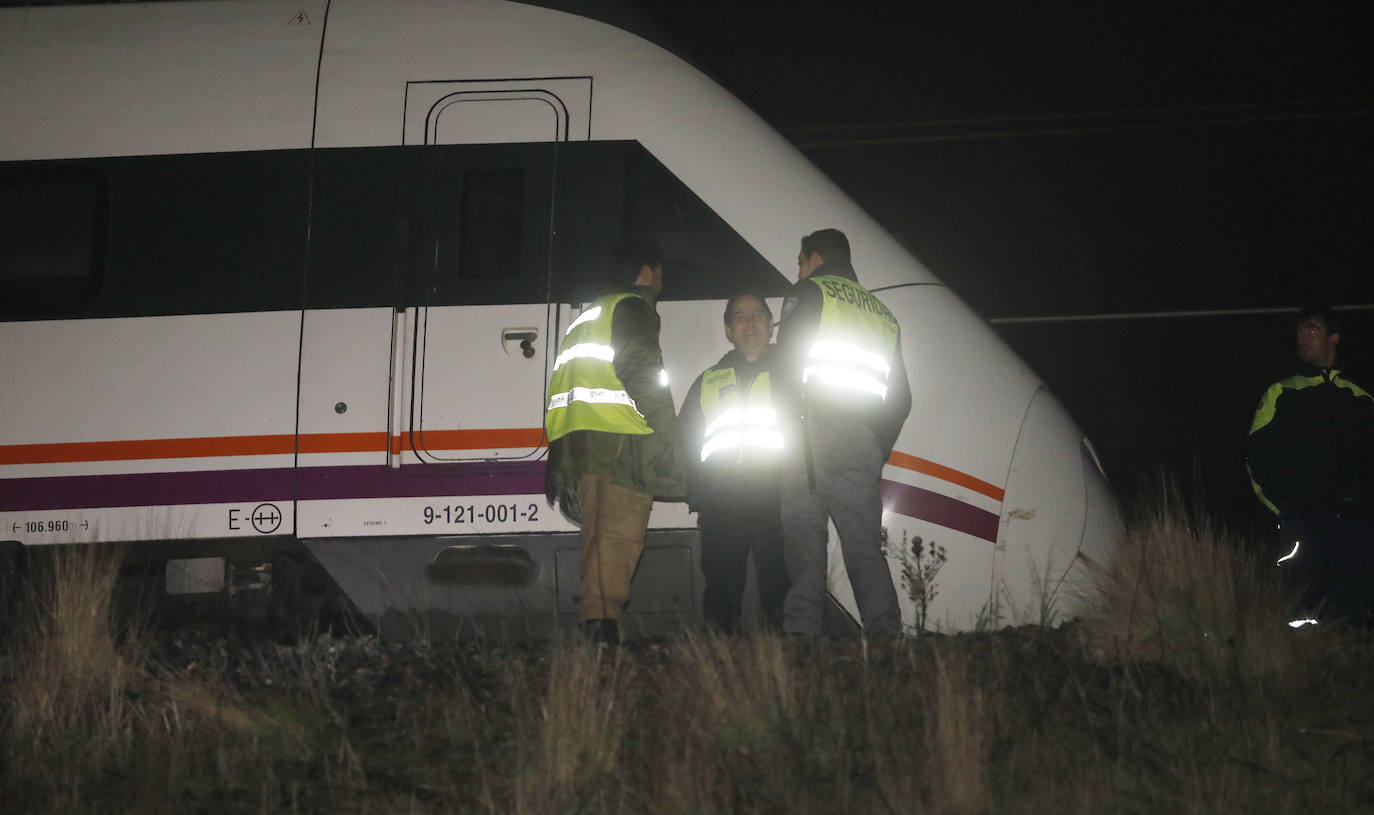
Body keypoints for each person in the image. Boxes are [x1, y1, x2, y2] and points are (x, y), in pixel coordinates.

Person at [544, 238, 685, 644]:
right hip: (623, 439)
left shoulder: (590, 314)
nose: (661, 283)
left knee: (597, 537)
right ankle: (603, 636)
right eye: (659, 274)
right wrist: (667, 433)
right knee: (620, 535)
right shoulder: (631, 307)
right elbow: (640, 369)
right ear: (645, 273)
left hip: (583, 442)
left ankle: (596, 627)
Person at [774, 228, 912, 638]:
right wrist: (874, 445)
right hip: (860, 443)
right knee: (865, 548)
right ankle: (887, 643)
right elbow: (901, 399)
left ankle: (803, 644)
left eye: (799, 262)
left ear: (815, 259)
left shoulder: (810, 293)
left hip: (809, 436)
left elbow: (785, 369)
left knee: (805, 547)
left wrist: (790, 428)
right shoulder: (883, 313)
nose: (797, 272)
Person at [1247, 306, 1374, 626]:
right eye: (1299, 332)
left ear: (1334, 338)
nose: (1303, 338)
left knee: (1356, 617)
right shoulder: (1281, 393)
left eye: (1312, 330)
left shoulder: (1361, 399)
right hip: (1304, 523)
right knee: (1304, 614)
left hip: (1357, 525)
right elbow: (1256, 456)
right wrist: (1286, 509)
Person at [679, 291, 790, 634]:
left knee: (781, 593)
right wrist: (697, 490)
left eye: (758, 314)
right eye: (740, 316)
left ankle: (784, 672)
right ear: (728, 330)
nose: (751, 321)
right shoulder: (708, 380)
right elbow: (685, 439)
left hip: (779, 500)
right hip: (721, 504)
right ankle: (721, 672)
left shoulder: (792, 378)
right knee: (721, 595)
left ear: (771, 325)